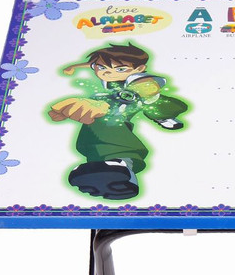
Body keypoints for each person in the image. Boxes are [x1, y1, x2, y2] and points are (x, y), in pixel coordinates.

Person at [48, 43, 189, 200]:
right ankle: (98, 166)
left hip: (141, 97)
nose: (108, 72)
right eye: (101, 68)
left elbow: (143, 87)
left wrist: (143, 92)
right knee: (95, 123)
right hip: (119, 102)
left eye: (121, 69)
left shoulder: (139, 79)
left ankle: (123, 165)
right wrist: (74, 67)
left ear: (139, 68)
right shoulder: (108, 81)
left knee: (111, 121)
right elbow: (93, 64)